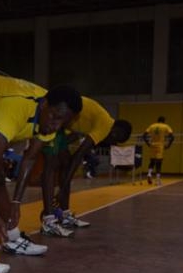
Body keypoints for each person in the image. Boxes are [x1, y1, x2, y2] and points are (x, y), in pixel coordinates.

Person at [0, 75, 82, 265]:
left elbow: (30, 159)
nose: (55, 126)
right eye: (54, 117)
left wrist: (16, 202)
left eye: (62, 123)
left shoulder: (49, 122)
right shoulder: (17, 107)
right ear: (44, 105)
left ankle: (10, 237)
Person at [41, 97, 132, 233]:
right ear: (115, 132)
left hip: (64, 125)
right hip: (55, 117)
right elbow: (78, 155)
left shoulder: (102, 123)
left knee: (65, 165)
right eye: (114, 140)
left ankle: (64, 215)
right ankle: (48, 220)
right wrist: (62, 190)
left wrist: (63, 188)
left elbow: (77, 134)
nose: (111, 143)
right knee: (51, 165)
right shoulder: (105, 126)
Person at [142, 116, 174, 186]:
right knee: (159, 162)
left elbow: (144, 135)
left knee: (152, 161)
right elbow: (172, 136)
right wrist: (168, 145)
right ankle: (157, 179)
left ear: (157, 120)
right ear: (164, 121)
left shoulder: (152, 126)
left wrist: (148, 144)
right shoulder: (165, 126)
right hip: (160, 145)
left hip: (152, 145)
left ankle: (149, 173)